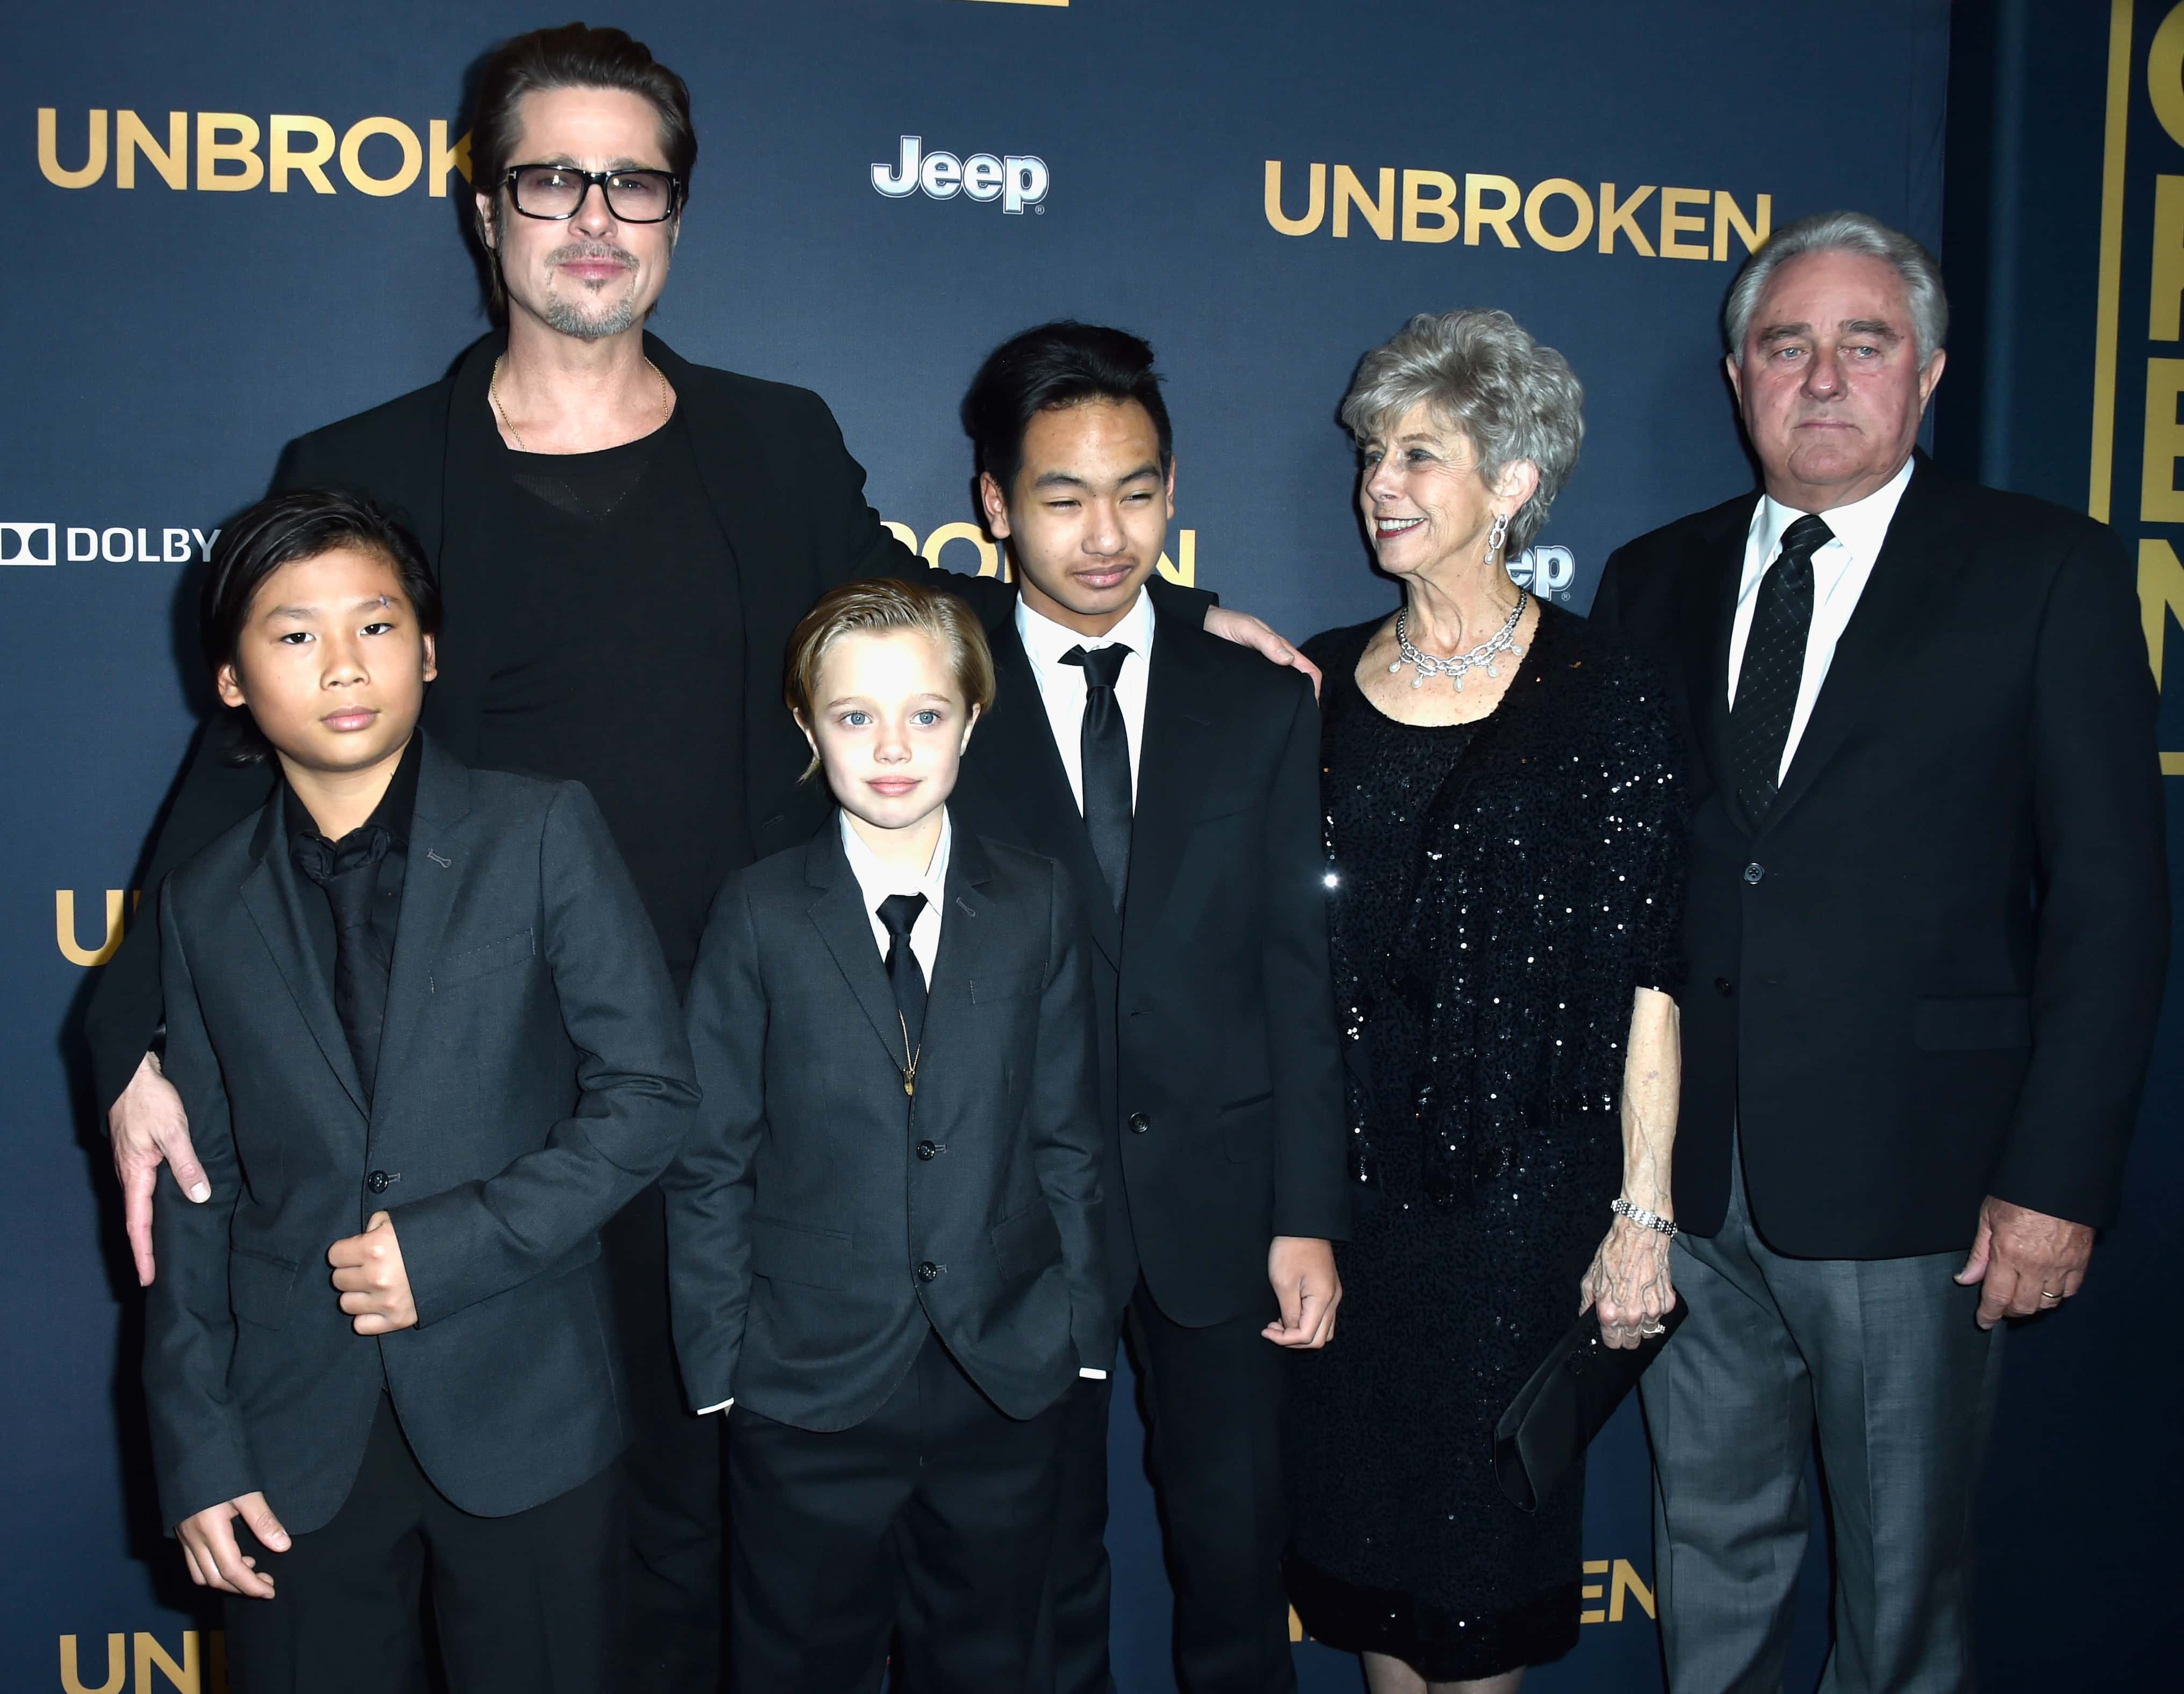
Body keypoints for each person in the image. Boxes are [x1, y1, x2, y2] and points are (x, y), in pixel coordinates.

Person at [81, 24, 1306, 1686]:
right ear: (484, 210)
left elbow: (938, 630)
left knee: (693, 1563)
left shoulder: (772, 442)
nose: (595, 212)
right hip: (473, 1139)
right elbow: (230, 786)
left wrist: (1155, 618)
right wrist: (138, 1036)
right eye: (551, 176)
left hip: (733, 1104)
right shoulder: (359, 471)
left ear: (677, 210)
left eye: (634, 179)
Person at [1590, 211, 2168, 1693]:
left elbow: (2111, 903)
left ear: (1930, 374)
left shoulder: (2048, 571)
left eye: (1866, 344)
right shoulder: (1652, 579)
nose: (1825, 376)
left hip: (1923, 1189)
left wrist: (2054, 1183)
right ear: (1738, 377)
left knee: (1903, 1600)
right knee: (1707, 1550)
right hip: (1692, 1191)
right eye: (1789, 345)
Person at [144, 488, 699, 1694]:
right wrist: (196, 1449)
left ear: (430, 648)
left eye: (378, 624)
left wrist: (452, 1249)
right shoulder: (199, 902)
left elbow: (649, 1090)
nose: (344, 664)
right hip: (290, 1436)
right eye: (294, 634)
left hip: (528, 1407)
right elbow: (197, 1186)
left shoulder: (541, 831)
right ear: (231, 680)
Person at [1282, 309, 1687, 1694]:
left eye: (1418, 455)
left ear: (1512, 484)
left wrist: (1642, 1212)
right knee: (1378, 1597)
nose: (1377, 485)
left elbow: (1651, 975)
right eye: (1370, 455)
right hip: (1340, 1204)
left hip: (1518, 1210)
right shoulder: (1317, 682)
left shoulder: (1607, 693)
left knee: (1468, 1593)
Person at [946, 322, 1350, 1694]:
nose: (1104, 533)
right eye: (1061, 496)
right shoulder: (927, 697)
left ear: (1173, 490)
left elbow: (1302, 975)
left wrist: (1306, 1212)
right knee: (1031, 1578)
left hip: (1224, 1207)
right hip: (1012, 1213)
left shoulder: (1259, 698)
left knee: (1237, 1570)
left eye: (1136, 491)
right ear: (995, 505)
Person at [662, 578, 1108, 1691]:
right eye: (856, 715)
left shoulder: (1039, 901)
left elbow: (1068, 1134)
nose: (893, 745)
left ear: (971, 721)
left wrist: (1077, 1332)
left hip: (1002, 1380)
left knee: (995, 1667)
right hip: (803, 1392)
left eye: (925, 712)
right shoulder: (759, 911)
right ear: (810, 729)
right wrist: (722, 1368)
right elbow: (710, 1155)